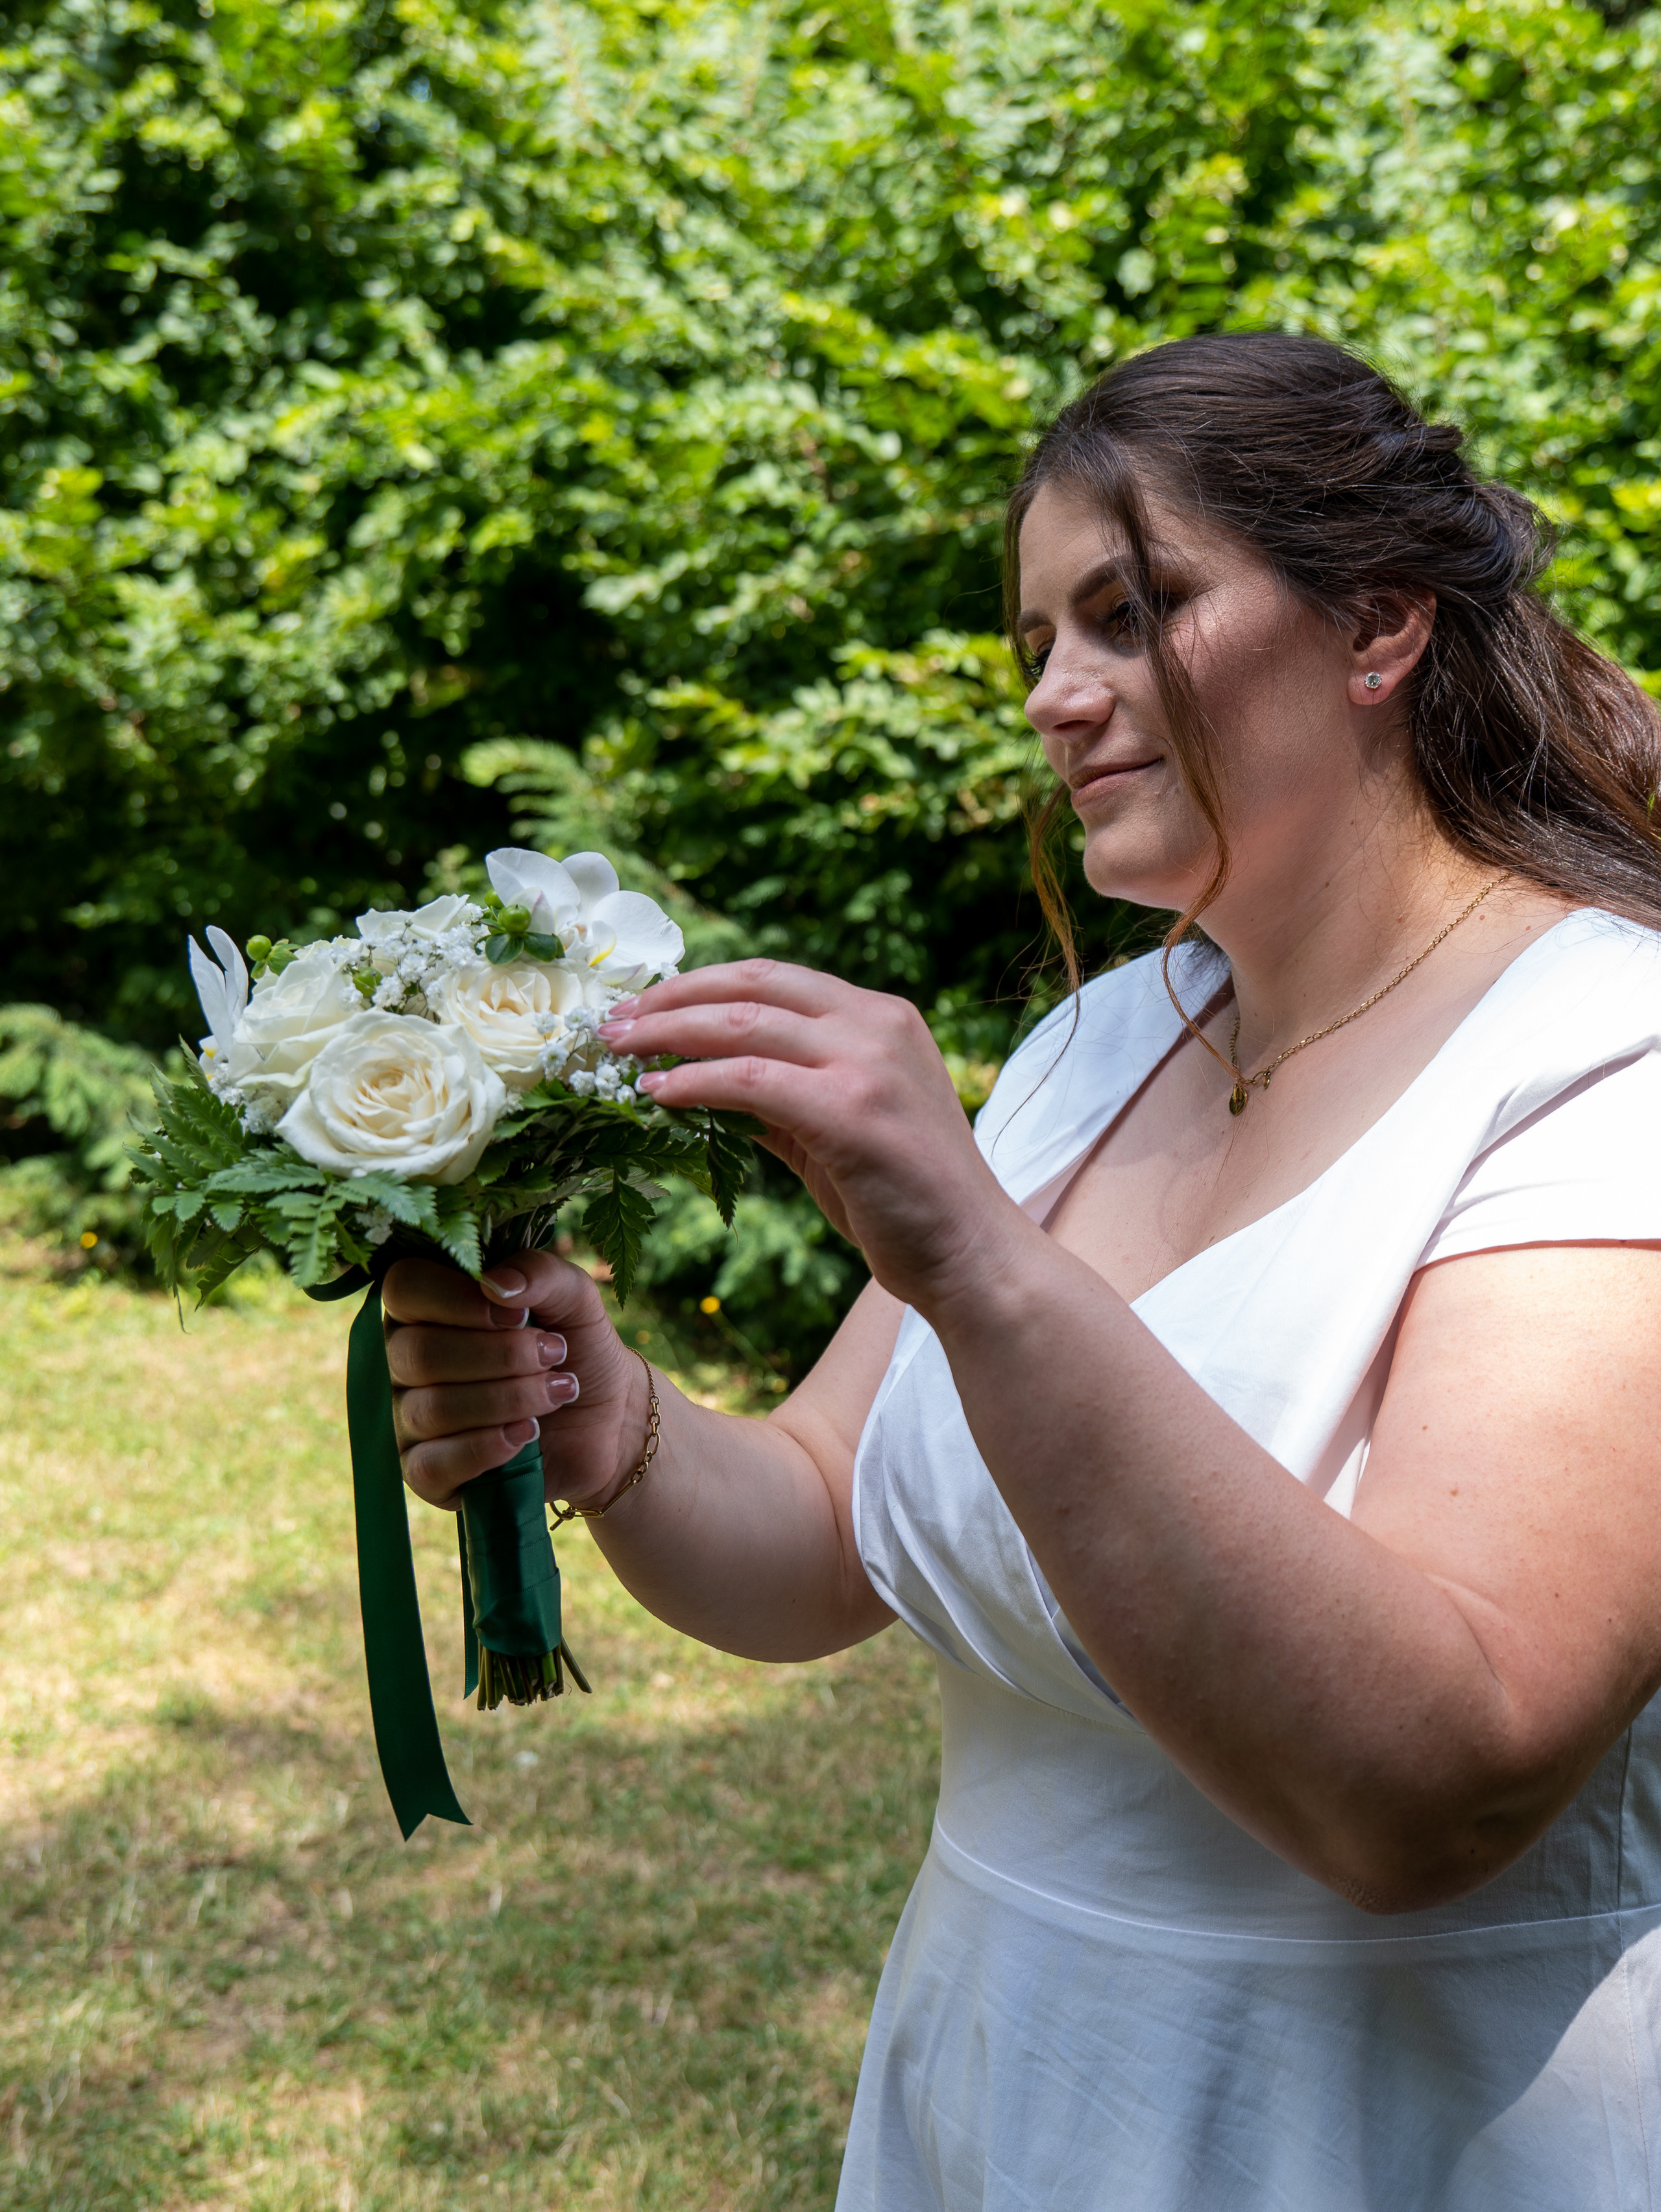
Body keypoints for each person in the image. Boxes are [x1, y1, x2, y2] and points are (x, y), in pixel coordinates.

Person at [381, 333, 1661, 2207]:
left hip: (1395, 2130)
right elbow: (825, 1528)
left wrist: (978, 1255)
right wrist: (605, 1412)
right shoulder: (1099, 1047)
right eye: (1039, 645)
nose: (1061, 697)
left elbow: (1437, 1776)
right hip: (1007, 2080)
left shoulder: (1605, 1051)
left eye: (1132, 612)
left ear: (1378, 625)